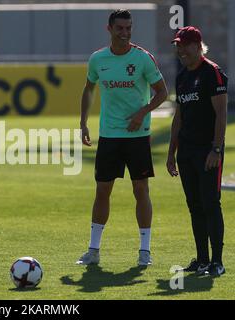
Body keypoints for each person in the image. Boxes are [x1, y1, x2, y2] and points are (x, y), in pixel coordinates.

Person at [76, 9, 168, 266]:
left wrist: (142, 113)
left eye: (129, 28)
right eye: (120, 29)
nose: (125, 33)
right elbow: (88, 88)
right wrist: (83, 123)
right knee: (102, 189)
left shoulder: (143, 59)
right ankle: (93, 251)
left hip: (138, 136)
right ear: (109, 29)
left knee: (141, 189)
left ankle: (144, 252)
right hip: (109, 135)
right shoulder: (97, 59)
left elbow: (162, 92)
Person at [167, 26, 228, 276]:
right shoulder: (182, 77)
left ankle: (217, 262)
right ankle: (202, 259)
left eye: (184, 45)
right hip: (187, 152)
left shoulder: (212, 73)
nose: (180, 50)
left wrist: (216, 148)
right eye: (178, 45)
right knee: (194, 206)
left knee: (210, 204)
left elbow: (221, 114)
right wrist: (171, 153)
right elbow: (178, 118)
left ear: (197, 45)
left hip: (207, 151)